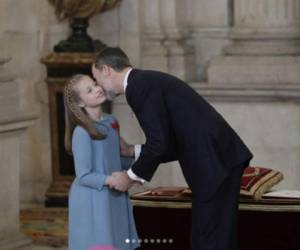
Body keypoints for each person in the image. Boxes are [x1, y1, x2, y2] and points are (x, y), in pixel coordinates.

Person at [92, 47, 253, 250]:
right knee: (217, 238)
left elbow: (159, 143)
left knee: (209, 240)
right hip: (218, 158)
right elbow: (170, 140)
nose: (98, 86)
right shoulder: (144, 81)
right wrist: (132, 151)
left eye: (96, 78)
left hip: (213, 162)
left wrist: (129, 177)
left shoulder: (137, 87)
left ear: (106, 69)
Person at [64, 74, 140, 250]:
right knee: (103, 242)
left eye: (95, 84)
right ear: (81, 103)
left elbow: (115, 160)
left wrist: (132, 171)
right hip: (93, 198)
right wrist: (113, 180)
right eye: (89, 90)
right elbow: (83, 175)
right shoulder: (82, 133)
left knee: (119, 240)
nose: (98, 89)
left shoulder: (111, 121)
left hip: (113, 194)